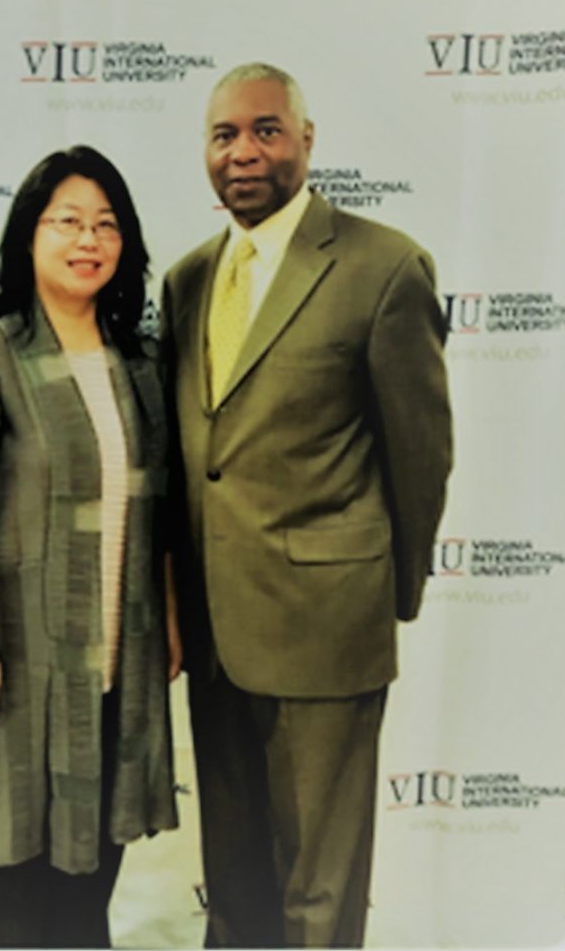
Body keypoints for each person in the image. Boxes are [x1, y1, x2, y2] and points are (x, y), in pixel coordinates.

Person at [161, 63, 453, 948]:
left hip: (330, 632)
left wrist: (380, 600)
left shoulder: (382, 266)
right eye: (223, 136)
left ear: (306, 139)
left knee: (320, 895)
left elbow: (421, 458)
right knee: (238, 880)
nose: (243, 152)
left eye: (265, 130)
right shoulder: (185, 280)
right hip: (216, 638)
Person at [0, 145, 180, 949]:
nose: (88, 240)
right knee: (15, 885)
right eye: (67, 221)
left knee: (88, 890)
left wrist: (169, 618)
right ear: (28, 237)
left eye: (106, 224)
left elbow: (162, 510)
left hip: (120, 657)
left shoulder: (139, 362)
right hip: (20, 657)